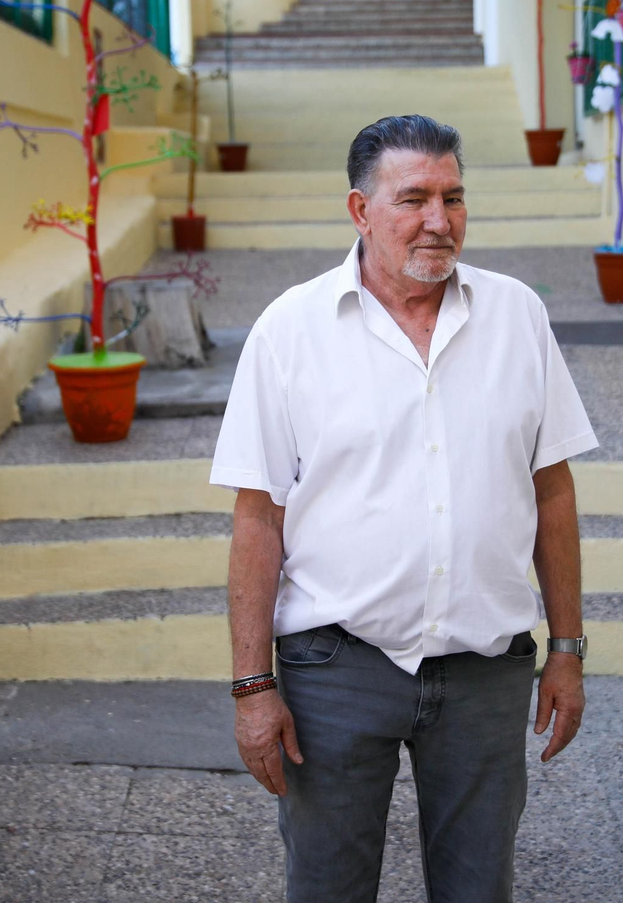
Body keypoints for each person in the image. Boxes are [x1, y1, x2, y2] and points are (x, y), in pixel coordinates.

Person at [211, 114, 596, 903]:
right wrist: (254, 688)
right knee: (328, 887)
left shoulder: (517, 314)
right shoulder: (291, 331)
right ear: (360, 210)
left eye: (453, 198)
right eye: (413, 198)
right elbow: (259, 518)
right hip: (336, 669)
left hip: (485, 672)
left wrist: (567, 647)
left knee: (477, 889)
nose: (438, 220)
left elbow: (551, 489)